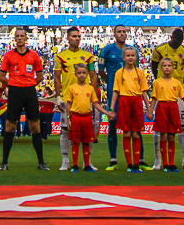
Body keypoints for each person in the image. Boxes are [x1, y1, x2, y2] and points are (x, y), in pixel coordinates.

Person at [0, 26, 49, 171]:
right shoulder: (8, 56)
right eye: (17, 36)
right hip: (15, 93)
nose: (19, 38)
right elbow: (1, 77)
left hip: (29, 92)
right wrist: (13, 85)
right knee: (10, 126)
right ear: (14, 39)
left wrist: (28, 84)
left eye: (22, 36)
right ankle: (4, 162)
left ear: (26, 38)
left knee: (35, 126)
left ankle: (41, 162)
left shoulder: (34, 55)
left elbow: (39, 76)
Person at [52, 27, 96, 171]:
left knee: (87, 133)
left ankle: (87, 162)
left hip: (84, 99)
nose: (77, 38)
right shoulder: (60, 57)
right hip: (67, 99)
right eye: (74, 36)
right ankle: (65, 161)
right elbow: (57, 78)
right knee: (65, 130)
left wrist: (95, 97)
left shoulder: (88, 56)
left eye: (79, 36)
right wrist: (58, 97)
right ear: (68, 38)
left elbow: (93, 76)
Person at [150, 28, 184, 169]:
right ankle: (159, 161)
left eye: (180, 40)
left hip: (177, 94)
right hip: (162, 95)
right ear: (171, 37)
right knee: (160, 131)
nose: (177, 42)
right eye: (176, 39)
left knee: (180, 128)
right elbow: (154, 66)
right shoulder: (160, 50)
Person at [62, 63, 108, 172]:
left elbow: (95, 104)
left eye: (83, 73)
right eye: (79, 73)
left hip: (87, 117)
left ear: (87, 74)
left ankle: (87, 164)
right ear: (75, 74)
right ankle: (75, 165)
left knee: (87, 141)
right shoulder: (72, 88)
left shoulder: (90, 88)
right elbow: (69, 104)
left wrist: (106, 113)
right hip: (76, 117)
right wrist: (68, 118)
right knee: (75, 141)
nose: (81, 75)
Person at [98, 25, 132, 169]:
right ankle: (113, 159)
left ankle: (136, 160)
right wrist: (111, 83)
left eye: (124, 32)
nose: (122, 34)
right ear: (114, 34)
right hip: (114, 94)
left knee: (130, 126)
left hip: (129, 93)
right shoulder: (106, 50)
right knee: (112, 124)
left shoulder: (132, 50)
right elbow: (101, 70)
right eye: (119, 32)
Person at [111, 47, 150, 173]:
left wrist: (148, 108)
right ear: (123, 58)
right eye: (128, 55)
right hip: (124, 102)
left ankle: (136, 163)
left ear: (136, 57)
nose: (130, 57)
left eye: (132, 55)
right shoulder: (119, 73)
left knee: (136, 133)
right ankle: (129, 164)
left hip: (136, 102)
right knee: (127, 133)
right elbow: (115, 91)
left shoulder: (140, 73)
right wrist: (112, 109)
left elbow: (144, 92)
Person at [151, 57, 184, 172]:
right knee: (163, 135)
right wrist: (150, 110)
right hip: (162, 107)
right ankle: (165, 163)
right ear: (161, 68)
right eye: (164, 66)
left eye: (169, 66)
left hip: (173, 107)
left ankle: (171, 163)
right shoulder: (157, 82)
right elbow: (154, 98)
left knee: (172, 135)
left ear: (172, 68)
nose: (167, 68)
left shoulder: (177, 83)